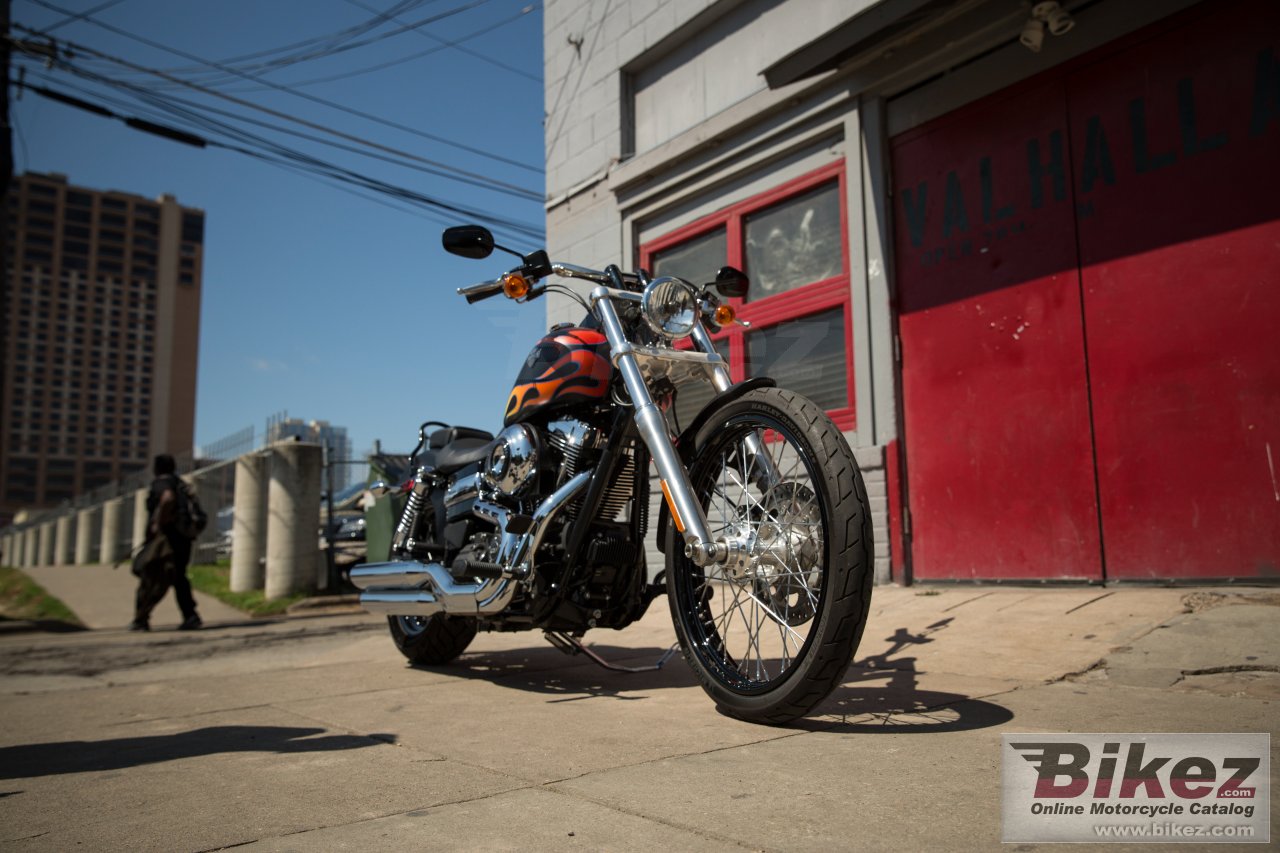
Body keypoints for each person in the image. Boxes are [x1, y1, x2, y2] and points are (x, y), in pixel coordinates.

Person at [130, 454, 202, 631]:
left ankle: (141, 618)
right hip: (184, 538)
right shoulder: (181, 484)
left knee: (151, 574)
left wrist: (157, 524)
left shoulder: (162, 483)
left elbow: (167, 498)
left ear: (156, 469)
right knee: (179, 577)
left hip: (166, 539)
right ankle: (190, 615)